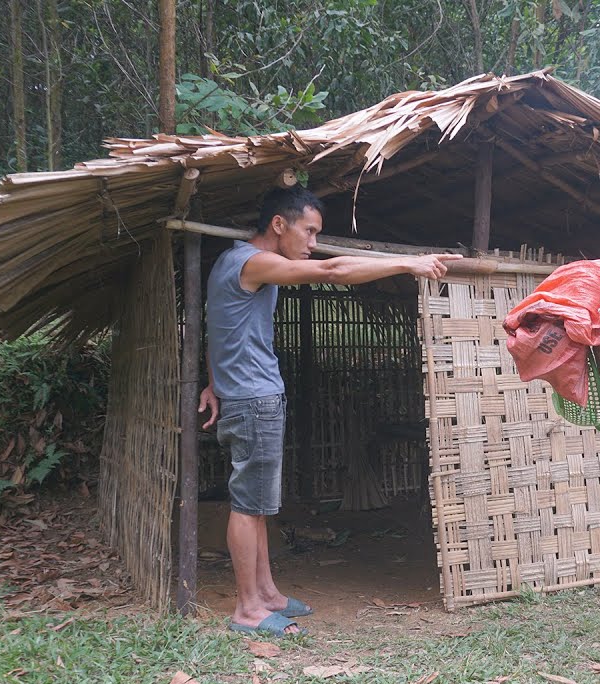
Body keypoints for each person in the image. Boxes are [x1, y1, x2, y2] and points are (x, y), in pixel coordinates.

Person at [198, 185, 461, 638]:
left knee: (258, 504)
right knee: (247, 506)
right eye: (310, 231)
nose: (313, 243)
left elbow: (218, 325)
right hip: (253, 397)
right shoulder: (255, 262)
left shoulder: (229, 261)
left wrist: (213, 381)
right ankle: (247, 609)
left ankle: (267, 595)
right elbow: (336, 271)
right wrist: (408, 262)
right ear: (279, 225)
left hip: (245, 393)